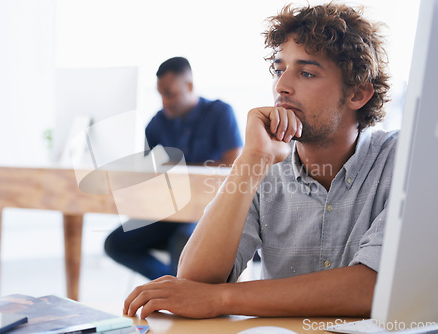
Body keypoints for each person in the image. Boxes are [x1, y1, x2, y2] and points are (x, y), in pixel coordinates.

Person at [124, 3, 397, 319]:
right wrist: (251, 160)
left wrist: (221, 299)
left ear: (358, 94)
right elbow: (193, 283)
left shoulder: (401, 162)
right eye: (280, 70)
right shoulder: (263, 166)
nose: (281, 87)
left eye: (306, 73)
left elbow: (373, 287)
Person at [105, 57, 243, 280]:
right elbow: (143, 166)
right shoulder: (159, 122)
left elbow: (234, 164)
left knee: (182, 242)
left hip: (207, 212)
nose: (164, 102)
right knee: (115, 244)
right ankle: (168, 283)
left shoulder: (220, 113)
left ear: (189, 86)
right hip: (168, 211)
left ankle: (176, 289)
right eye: (160, 94)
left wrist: (178, 169)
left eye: (170, 94)